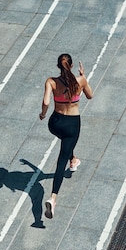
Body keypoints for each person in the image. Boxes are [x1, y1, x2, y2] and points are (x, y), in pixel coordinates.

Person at [39, 53, 93, 219]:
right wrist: (83, 77)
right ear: (70, 66)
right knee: (61, 159)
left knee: (67, 146)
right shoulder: (80, 81)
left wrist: (43, 114)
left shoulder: (51, 81)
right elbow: (90, 95)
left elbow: (47, 102)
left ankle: (73, 159)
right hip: (72, 124)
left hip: (55, 123)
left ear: (58, 66)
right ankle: (53, 198)